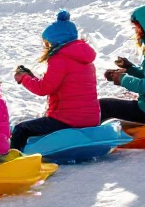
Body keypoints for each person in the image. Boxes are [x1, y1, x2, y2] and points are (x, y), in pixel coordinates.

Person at [9, 11, 101, 153]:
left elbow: (43, 88)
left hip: (68, 120)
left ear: (56, 40)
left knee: (21, 130)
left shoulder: (60, 59)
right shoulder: (85, 59)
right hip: (91, 119)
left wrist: (24, 78)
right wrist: (31, 77)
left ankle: (12, 162)